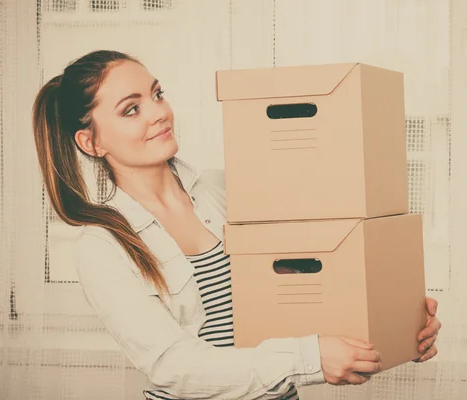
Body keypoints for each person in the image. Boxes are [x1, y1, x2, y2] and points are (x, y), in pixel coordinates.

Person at [31, 50, 441, 400]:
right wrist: (310, 358)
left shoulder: (225, 189)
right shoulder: (102, 245)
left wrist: (394, 323)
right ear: (92, 142)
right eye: (132, 109)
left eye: (157, 94)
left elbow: (314, 280)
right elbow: (172, 365)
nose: (158, 113)